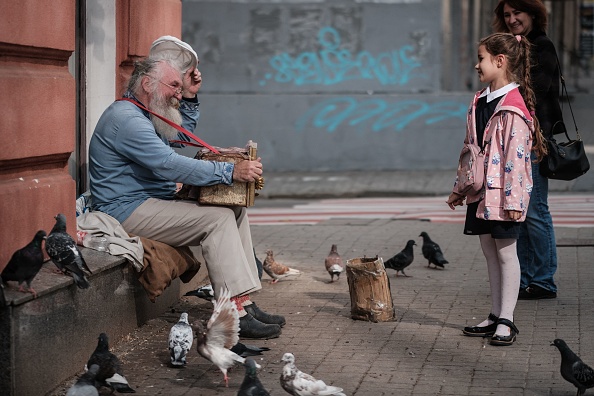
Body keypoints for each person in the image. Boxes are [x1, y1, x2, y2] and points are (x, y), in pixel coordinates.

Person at [89, 49, 284, 339]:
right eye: (174, 87)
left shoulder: (144, 111)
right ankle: (233, 314)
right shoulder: (126, 119)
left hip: (149, 202)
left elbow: (178, 136)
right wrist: (229, 173)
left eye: (180, 88)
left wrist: (191, 96)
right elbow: (169, 164)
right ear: (147, 84)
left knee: (235, 210)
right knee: (217, 219)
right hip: (125, 211)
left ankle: (243, 300)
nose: (177, 94)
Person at [447, 32, 547, 346]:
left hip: (504, 197)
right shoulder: (479, 100)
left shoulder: (513, 107)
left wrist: (515, 201)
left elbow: (517, 162)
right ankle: (494, 315)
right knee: (490, 253)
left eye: (481, 58)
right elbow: (470, 150)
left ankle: (507, 320)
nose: (477, 65)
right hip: (480, 195)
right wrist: (459, 188)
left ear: (499, 61)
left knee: (506, 255)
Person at [493, 0, 560, 300]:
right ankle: (525, 279)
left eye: (517, 13)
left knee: (535, 211)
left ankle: (544, 281)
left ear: (532, 14)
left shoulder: (542, 47)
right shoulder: (512, 46)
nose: (512, 19)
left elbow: (537, 90)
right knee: (519, 211)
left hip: (533, 140)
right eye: (507, 15)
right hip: (514, 140)